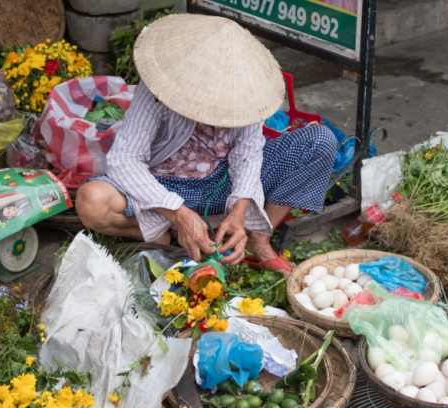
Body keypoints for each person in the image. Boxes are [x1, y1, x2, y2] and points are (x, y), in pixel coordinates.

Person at [75, 14, 338, 275]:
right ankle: (168, 230)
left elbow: (247, 156)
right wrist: (177, 213)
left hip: (219, 185)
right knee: (92, 201)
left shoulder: (247, 91)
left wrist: (239, 210)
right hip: (160, 186)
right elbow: (125, 159)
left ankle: (259, 241)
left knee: (320, 141)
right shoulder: (161, 86)